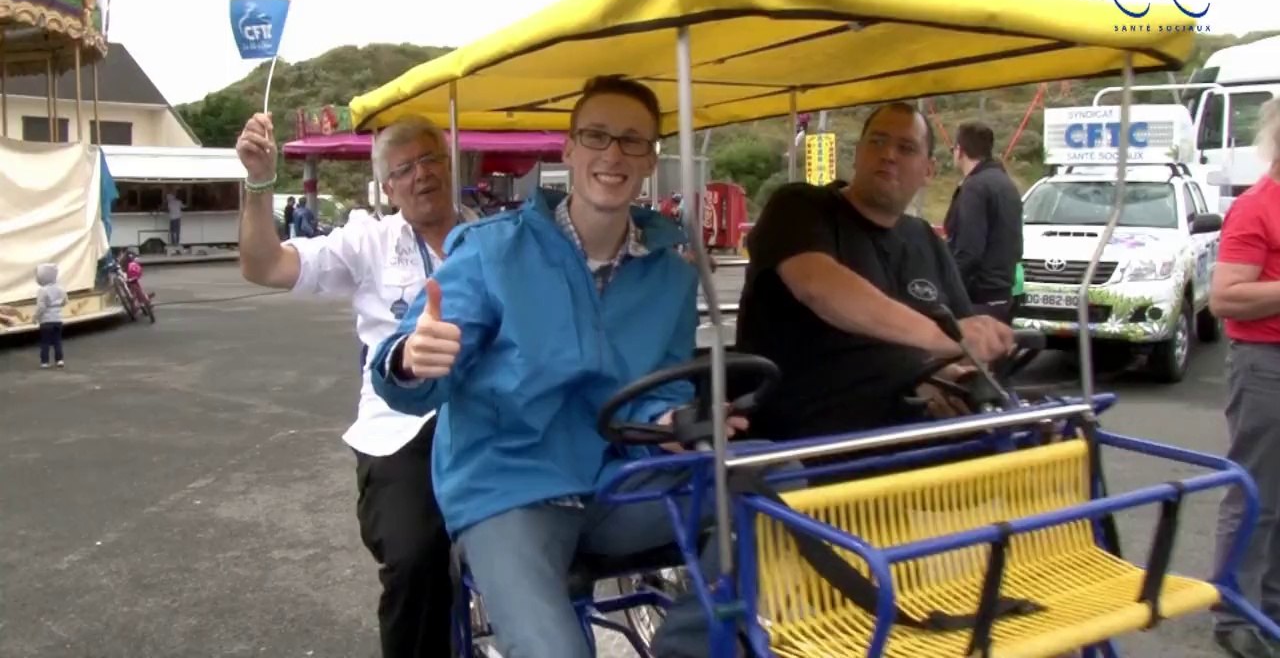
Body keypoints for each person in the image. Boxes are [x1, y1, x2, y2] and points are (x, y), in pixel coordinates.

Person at [369, 76, 759, 658]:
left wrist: (676, 416)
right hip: (510, 488)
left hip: (619, 485)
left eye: (632, 141)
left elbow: (659, 387)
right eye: (596, 135)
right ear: (569, 149)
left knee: (772, 475)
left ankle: (683, 646)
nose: (613, 154)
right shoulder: (491, 249)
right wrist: (409, 358)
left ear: (652, 158)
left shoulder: (671, 276)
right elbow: (416, 369)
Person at [234, 112, 477, 658]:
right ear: (387, 187)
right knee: (416, 557)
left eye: (431, 160)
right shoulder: (367, 241)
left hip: (488, 416)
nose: (421, 175)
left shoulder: (491, 237)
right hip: (402, 429)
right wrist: (258, 184)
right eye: (404, 168)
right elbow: (263, 265)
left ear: (450, 164)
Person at [736, 102, 1015, 447]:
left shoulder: (925, 239)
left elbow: (957, 341)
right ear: (857, 155)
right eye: (877, 142)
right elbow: (819, 287)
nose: (888, 155)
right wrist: (944, 338)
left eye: (906, 147)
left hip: (909, 428)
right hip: (808, 437)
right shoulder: (799, 207)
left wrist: (950, 375)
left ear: (928, 170)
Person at [1208, 97, 1280, 658]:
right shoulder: (1257, 207)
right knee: (1256, 492)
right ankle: (1234, 614)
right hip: (1264, 365)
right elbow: (1224, 297)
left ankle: (1269, 607)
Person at [942, 121, 1024, 323]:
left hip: (977, 297)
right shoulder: (1006, 183)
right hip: (1002, 293)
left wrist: (947, 289)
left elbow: (969, 250)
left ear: (960, 150)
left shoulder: (975, 187)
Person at [34, 262, 67, 368]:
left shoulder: (42, 290)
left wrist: (35, 317)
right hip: (57, 319)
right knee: (57, 341)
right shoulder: (60, 288)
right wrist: (57, 306)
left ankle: (45, 362)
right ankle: (59, 360)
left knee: (45, 342)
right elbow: (65, 301)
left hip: (46, 320)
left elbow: (41, 307)